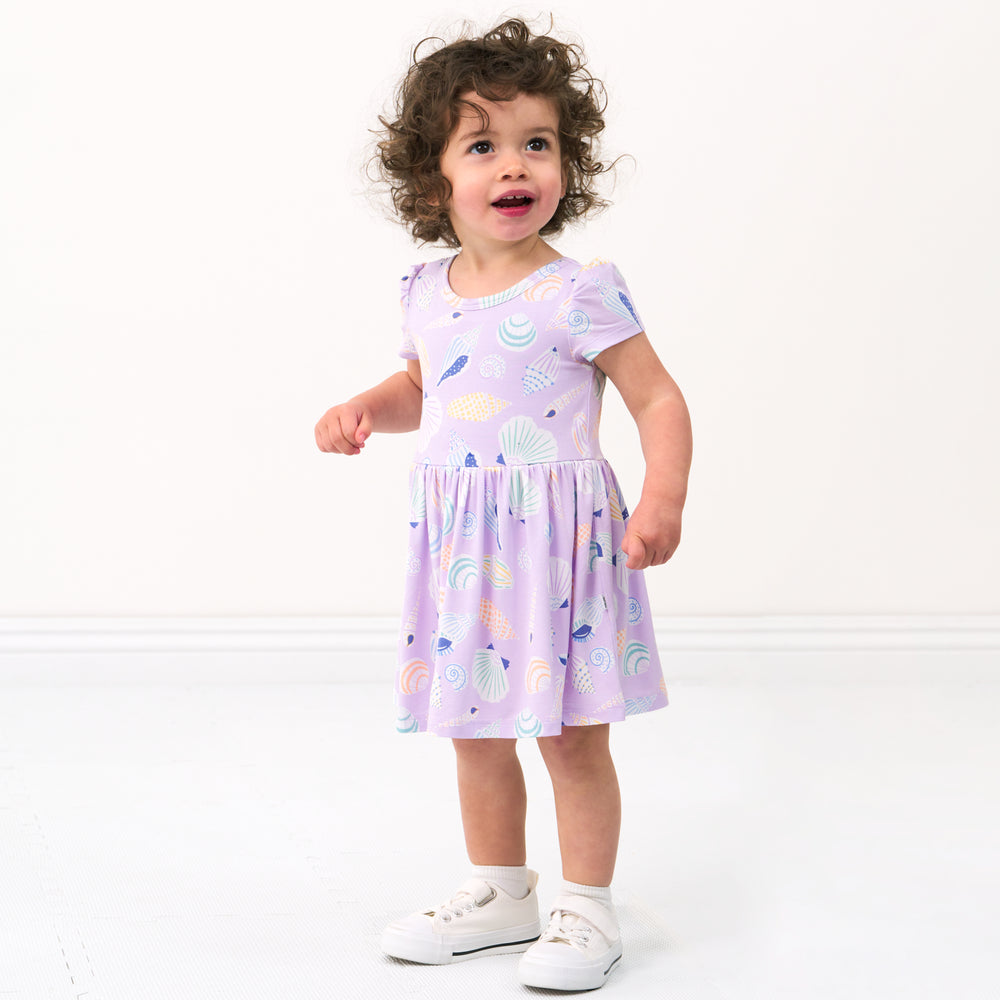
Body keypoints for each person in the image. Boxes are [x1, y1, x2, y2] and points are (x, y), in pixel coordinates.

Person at [315, 17, 692, 992]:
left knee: (571, 735)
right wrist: (366, 407)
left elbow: (656, 396)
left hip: (561, 547)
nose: (514, 165)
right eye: (482, 145)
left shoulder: (581, 292)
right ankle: (500, 890)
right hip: (466, 551)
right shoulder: (424, 291)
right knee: (474, 727)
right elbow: (427, 389)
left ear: (567, 161)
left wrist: (661, 496)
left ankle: (585, 908)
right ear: (434, 174)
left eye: (537, 142)